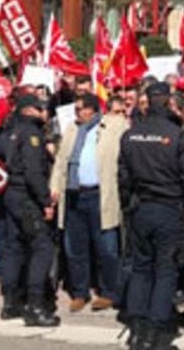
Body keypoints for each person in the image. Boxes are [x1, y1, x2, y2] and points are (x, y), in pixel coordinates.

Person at [119, 81, 184, 350]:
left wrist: (128, 207)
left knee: (141, 269)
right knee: (165, 271)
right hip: (168, 209)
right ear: (168, 102)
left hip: (140, 209)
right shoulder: (176, 135)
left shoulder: (130, 135)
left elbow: (122, 178)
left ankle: (137, 329)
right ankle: (155, 333)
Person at [50, 92, 128, 312]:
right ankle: (79, 292)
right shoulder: (72, 129)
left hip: (100, 196)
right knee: (75, 248)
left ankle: (109, 291)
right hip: (74, 195)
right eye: (75, 109)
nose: (77, 113)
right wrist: (55, 187)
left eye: (80, 109)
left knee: (107, 248)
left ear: (92, 109)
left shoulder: (112, 127)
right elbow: (61, 162)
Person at [3, 94, 59, 326]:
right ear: (29, 110)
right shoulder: (33, 135)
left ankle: (11, 302)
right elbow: (33, 172)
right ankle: (35, 306)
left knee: (15, 248)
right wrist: (45, 201)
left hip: (13, 195)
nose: (44, 113)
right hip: (26, 198)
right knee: (42, 248)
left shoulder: (15, 130)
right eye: (40, 108)